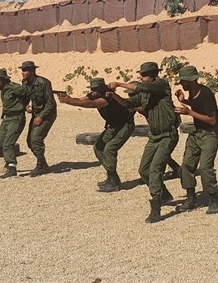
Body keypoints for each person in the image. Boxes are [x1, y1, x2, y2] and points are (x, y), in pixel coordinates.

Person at [107, 62, 180, 223]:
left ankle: (156, 207)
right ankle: (164, 195)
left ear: (153, 75)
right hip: (154, 136)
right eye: (141, 75)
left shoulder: (161, 85)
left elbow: (142, 87)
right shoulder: (145, 93)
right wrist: (113, 96)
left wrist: (119, 83)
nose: (142, 78)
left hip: (167, 135)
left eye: (144, 75)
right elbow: (129, 103)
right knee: (144, 170)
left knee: (155, 170)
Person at [58, 78, 135, 192]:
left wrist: (70, 101)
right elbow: (82, 99)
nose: (93, 92)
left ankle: (113, 181)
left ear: (102, 89)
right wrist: (68, 99)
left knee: (109, 149)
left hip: (124, 125)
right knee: (98, 148)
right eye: (92, 89)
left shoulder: (108, 96)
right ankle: (111, 176)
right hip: (113, 126)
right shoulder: (94, 95)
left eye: (96, 89)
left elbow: (92, 104)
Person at [173, 66, 218, 215]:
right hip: (196, 133)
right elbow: (197, 105)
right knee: (187, 165)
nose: (181, 84)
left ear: (191, 81)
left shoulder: (206, 94)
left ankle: (213, 198)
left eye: (183, 81)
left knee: (205, 167)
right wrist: (185, 101)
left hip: (210, 134)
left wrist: (189, 112)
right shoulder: (193, 92)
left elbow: (212, 120)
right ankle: (191, 197)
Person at [127, 89, 181, 181]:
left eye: (132, 95)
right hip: (158, 128)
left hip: (168, 126)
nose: (131, 97)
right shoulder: (140, 102)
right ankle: (176, 169)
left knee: (160, 153)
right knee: (160, 153)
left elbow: (145, 108)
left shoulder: (147, 100)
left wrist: (132, 107)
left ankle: (160, 174)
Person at [0, 69, 31, 179]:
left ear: (3, 80)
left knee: (8, 144)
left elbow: (28, 92)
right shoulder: (3, 89)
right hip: (7, 118)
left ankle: (12, 168)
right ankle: (8, 162)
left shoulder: (14, 87)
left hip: (16, 118)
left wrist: (26, 105)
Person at [21, 61, 57, 177]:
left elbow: (51, 102)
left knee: (36, 138)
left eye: (25, 70)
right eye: (22, 70)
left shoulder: (43, 82)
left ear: (32, 71)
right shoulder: (25, 83)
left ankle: (40, 165)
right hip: (36, 113)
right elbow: (25, 96)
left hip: (48, 113)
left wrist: (41, 117)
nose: (22, 73)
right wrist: (26, 106)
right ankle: (43, 163)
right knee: (29, 141)